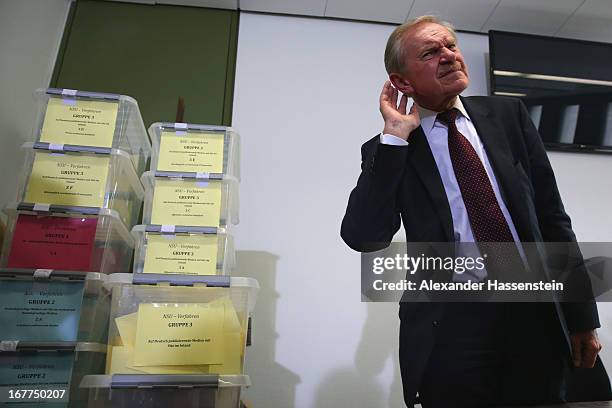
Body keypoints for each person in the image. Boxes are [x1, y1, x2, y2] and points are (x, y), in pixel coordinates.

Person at [341, 15, 605, 407]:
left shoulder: (509, 118)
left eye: (450, 45)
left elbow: (552, 219)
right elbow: (364, 237)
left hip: (533, 312)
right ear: (402, 82)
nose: (448, 55)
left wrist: (583, 317)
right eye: (431, 52)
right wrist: (394, 139)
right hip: (452, 325)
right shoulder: (392, 149)